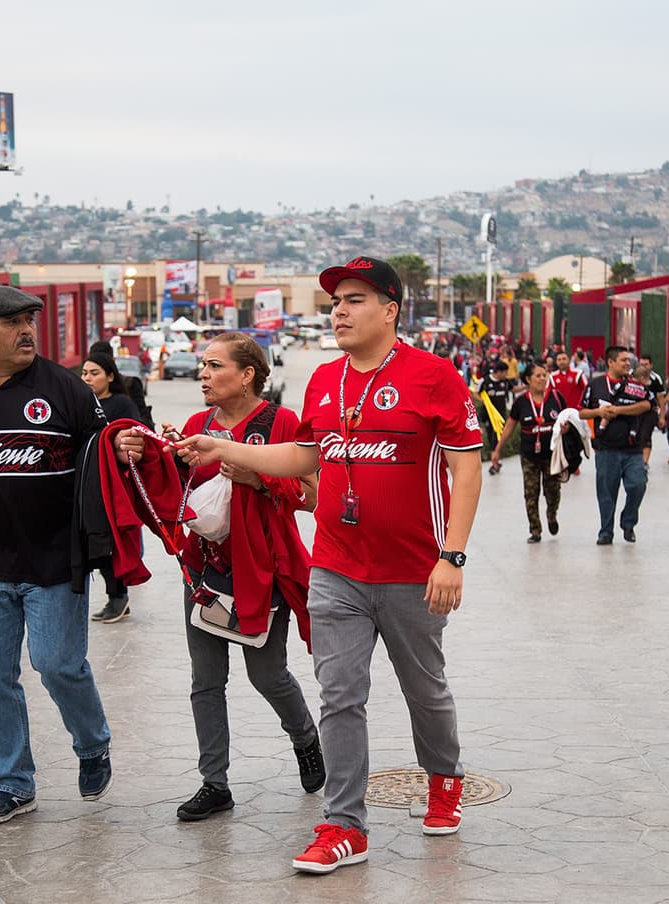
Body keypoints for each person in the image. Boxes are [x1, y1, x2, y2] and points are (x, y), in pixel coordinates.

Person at [176, 255, 482, 874]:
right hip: (336, 568)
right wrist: (223, 447)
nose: (339, 311)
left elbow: (466, 467)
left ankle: (444, 779)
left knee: (424, 689)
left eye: (354, 299)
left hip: (413, 571)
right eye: (336, 301)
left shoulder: (433, 376)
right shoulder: (323, 379)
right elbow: (304, 458)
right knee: (340, 695)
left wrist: (451, 556)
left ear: (390, 310)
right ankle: (345, 825)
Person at [0, 286, 145, 824]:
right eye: (11, 322)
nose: (26, 330)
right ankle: (12, 783)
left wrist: (123, 445)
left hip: (55, 559)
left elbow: (105, 447)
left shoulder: (63, 387)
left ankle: (92, 744)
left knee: (58, 665)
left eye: (29, 320)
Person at [164, 332, 325, 822]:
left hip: (264, 569)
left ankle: (305, 737)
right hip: (204, 570)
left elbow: (313, 496)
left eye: (215, 366)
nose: (204, 375)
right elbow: (175, 492)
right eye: (203, 366)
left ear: (247, 374)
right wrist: (162, 455)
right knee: (206, 680)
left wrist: (257, 477)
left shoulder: (282, 423)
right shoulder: (197, 426)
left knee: (267, 673)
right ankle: (214, 783)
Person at [80, 351, 146, 623]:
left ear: (109, 376)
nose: (87, 378)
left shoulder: (121, 403)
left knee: (112, 542)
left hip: (114, 485)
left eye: (94, 373)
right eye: (84, 373)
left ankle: (119, 596)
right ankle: (114, 597)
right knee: (95, 541)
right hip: (88, 482)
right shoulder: (82, 403)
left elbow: (134, 435)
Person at [579, 346, 653, 545]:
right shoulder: (595, 385)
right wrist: (599, 413)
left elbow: (647, 405)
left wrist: (619, 410)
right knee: (606, 494)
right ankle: (606, 532)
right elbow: (581, 412)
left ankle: (628, 521)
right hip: (606, 449)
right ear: (610, 362)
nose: (628, 363)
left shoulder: (635, 385)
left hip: (633, 449)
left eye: (629, 360)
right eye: (623, 360)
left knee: (638, 485)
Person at [491, 364, 567, 542]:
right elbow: (509, 427)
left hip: (551, 455)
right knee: (531, 493)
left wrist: (567, 428)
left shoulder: (556, 398)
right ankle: (535, 530)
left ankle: (551, 515)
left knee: (553, 492)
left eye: (544, 375)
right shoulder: (521, 402)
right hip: (529, 456)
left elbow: (568, 420)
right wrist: (497, 449)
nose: (542, 379)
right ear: (528, 379)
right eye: (538, 376)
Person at [479, 359, 518, 474]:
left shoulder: (505, 381)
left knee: (498, 437)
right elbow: (475, 392)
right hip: (489, 415)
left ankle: (496, 460)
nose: (506, 375)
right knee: (492, 437)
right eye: (505, 372)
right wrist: (484, 401)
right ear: (499, 372)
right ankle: (495, 463)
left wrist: (527, 387)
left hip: (501, 415)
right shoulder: (485, 381)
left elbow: (513, 389)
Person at [636, 354, 667, 467]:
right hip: (634, 411)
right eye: (641, 364)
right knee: (635, 436)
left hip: (650, 412)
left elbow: (661, 399)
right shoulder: (632, 376)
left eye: (646, 364)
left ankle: (645, 462)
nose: (643, 366)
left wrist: (662, 416)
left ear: (651, 365)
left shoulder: (655, 379)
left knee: (646, 435)